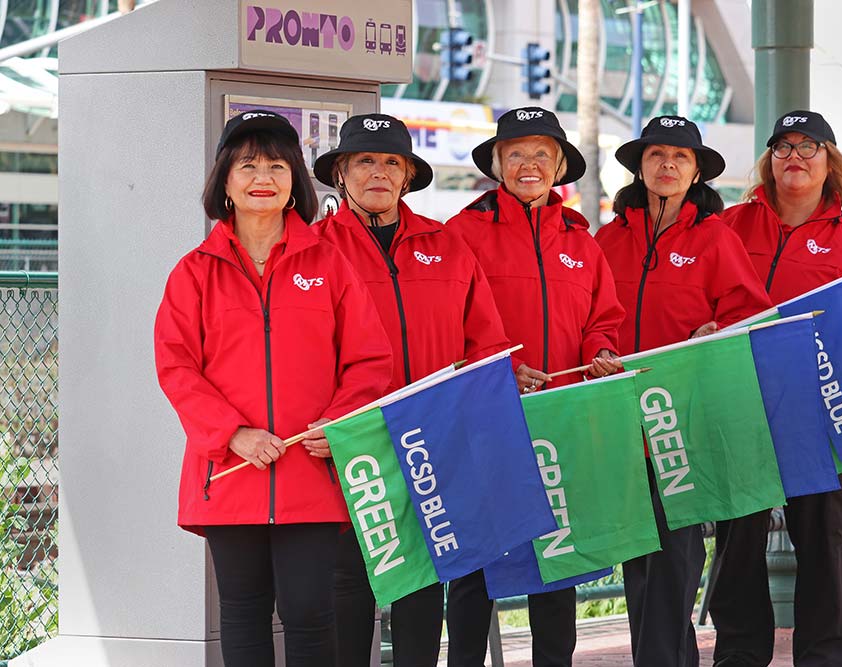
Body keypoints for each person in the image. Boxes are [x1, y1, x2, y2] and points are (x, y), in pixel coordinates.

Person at [153, 110, 393, 667]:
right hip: (230, 471)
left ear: (294, 184)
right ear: (226, 182)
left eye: (278, 165)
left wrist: (337, 422)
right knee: (242, 612)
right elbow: (176, 365)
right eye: (248, 165)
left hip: (308, 467)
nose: (264, 176)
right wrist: (232, 433)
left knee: (312, 613)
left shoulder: (330, 264)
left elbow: (368, 359)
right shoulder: (194, 272)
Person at [311, 113, 510, 667]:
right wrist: (328, 420)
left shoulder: (446, 245)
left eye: (391, 162)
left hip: (433, 439)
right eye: (365, 161)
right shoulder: (314, 249)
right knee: (349, 582)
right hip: (352, 442)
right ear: (342, 175)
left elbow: (486, 343)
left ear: (406, 176)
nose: (379, 172)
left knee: (423, 580)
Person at [444, 106, 626, 667]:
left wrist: (600, 351)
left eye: (542, 155)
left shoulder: (581, 240)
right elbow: (449, 324)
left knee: (559, 558)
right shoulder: (460, 234)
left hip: (562, 422)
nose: (530, 164)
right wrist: (497, 370)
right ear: (497, 163)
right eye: (517, 153)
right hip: (485, 423)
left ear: (559, 166)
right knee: (476, 566)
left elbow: (604, 317)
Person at [595, 116, 773, 667]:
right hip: (621, 418)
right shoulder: (607, 238)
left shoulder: (715, 237)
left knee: (676, 554)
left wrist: (718, 329)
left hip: (683, 421)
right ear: (639, 165)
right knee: (639, 554)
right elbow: (593, 317)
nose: (667, 165)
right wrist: (598, 351)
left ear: (696, 172)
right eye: (656, 155)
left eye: (680, 157)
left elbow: (751, 314)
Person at [708, 110, 842, 667]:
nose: (795, 157)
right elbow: (702, 295)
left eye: (809, 147)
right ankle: (738, 652)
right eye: (783, 147)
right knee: (737, 540)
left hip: (818, 413)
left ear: (830, 161)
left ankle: (825, 655)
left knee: (824, 541)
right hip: (742, 405)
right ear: (769, 160)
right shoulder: (730, 226)